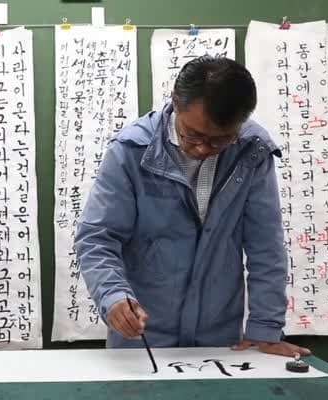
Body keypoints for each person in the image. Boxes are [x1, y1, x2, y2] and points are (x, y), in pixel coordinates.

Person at [74, 55, 310, 357]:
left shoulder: (252, 152)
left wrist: (266, 328)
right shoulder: (131, 152)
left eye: (220, 140)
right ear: (175, 100)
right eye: (194, 134)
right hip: (143, 337)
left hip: (219, 336)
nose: (202, 149)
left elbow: (266, 247)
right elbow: (97, 238)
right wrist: (113, 296)